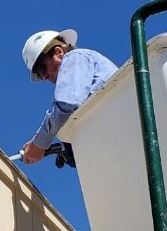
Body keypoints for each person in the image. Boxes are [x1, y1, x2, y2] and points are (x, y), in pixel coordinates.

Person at [20, 29, 118, 164]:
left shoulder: (75, 57)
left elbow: (67, 104)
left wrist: (38, 143)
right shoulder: (82, 77)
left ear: (59, 52)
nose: (44, 76)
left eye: (41, 69)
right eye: (39, 74)